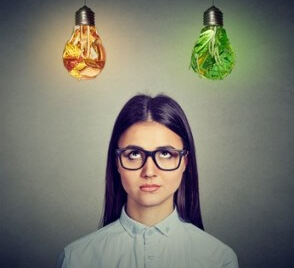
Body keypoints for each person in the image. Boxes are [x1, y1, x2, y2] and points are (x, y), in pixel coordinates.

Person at [56, 94, 239, 268]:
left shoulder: (219, 260)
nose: (149, 171)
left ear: (185, 162)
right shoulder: (77, 258)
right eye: (134, 154)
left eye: (165, 153)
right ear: (116, 163)